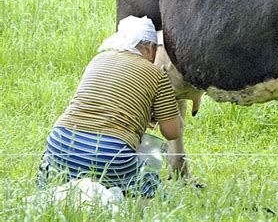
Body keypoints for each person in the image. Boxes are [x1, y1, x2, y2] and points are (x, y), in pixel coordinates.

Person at [37, 16, 183, 198]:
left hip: (60, 143)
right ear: (151, 48)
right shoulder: (156, 74)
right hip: (110, 153)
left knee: (70, 191)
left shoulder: (98, 59)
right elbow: (172, 132)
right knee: (154, 192)